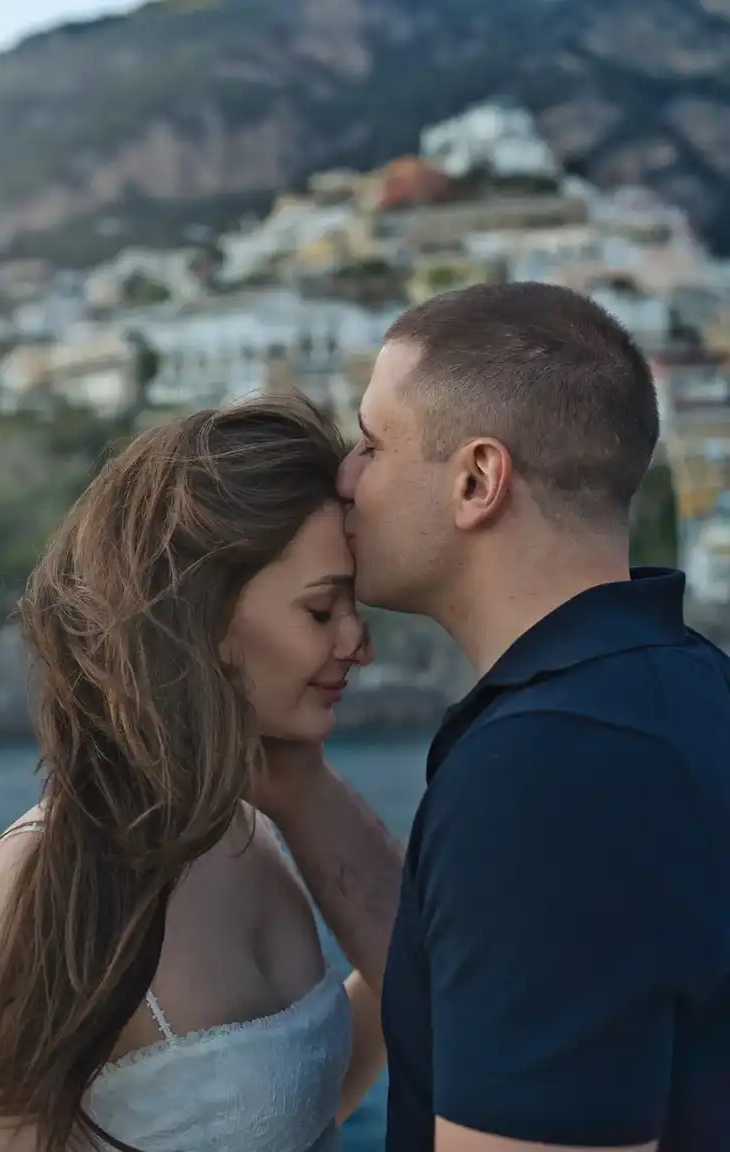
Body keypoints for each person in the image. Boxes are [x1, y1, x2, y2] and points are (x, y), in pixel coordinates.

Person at [276, 282, 730, 1152]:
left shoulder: (550, 774)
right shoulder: (685, 695)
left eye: (372, 444)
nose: (345, 476)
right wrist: (297, 786)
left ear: (478, 479)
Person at [0, 395, 402, 1152]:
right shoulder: (50, 873)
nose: (359, 644)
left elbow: (314, 1089)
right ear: (207, 621)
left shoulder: (253, 833)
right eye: (321, 611)